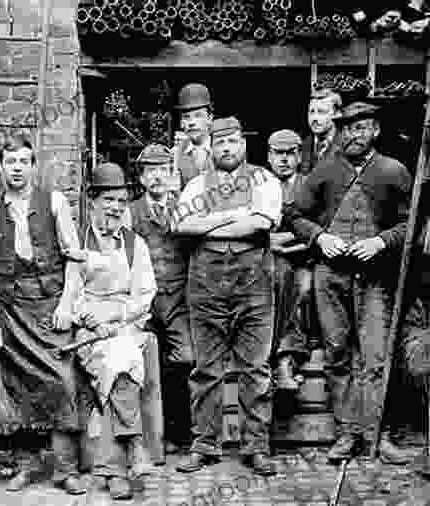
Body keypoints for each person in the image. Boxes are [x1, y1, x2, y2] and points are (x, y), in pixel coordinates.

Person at [288, 102, 413, 464]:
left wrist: (381, 241)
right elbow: (293, 214)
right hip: (331, 277)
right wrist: (319, 237)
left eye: (361, 128)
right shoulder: (325, 171)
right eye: (347, 129)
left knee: (374, 359)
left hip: (375, 279)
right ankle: (346, 434)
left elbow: (413, 225)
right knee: (337, 355)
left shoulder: (393, 171)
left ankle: (378, 436)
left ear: (375, 131)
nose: (353, 135)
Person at [0, 133, 86, 494]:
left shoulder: (54, 202)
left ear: (33, 166)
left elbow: (74, 259)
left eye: (24, 161)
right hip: (10, 311)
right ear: (2, 168)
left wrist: (67, 305)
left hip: (50, 308)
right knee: (14, 386)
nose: (17, 168)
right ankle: (24, 466)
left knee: (62, 381)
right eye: (11, 162)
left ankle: (66, 469)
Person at [173, 117, 282, 476]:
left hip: (253, 283)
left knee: (256, 368)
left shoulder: (264, 179)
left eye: (233, 141)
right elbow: (181, 226)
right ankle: (204, 445)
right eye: (220, 143)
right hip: (204, 284)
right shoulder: (194, 186)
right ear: (211, 147)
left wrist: (211, 222)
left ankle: (256, 447)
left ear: (243, 144)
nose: (226, 148)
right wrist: (235, 218)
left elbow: (260, 224)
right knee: (207, 369)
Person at [70, 162, 157, 500]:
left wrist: (118, 320)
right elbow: (69, 293)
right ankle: (134, 445)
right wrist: (92, 319)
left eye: (122, 201)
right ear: (92, 199)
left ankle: (114, 471)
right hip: (89, 329)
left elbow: (145, 293)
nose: (116, 208)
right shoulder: (77, 241)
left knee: (119, 355)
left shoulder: (135, 244)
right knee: (114, 359)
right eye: (108, 200)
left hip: (124, 325)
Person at [129, 144, 194, 455]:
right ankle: (152, 436)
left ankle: (181, 431)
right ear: (141, 178)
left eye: (163, 171)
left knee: (185, 359)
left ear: (172, 175)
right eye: (150, 171)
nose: (157, 177)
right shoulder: (130, 212)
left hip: (181, 298)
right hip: (145, 301)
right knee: (142, 364)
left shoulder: (188, 208)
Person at [267, 129, 313, 391]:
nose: (284, 159)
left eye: (290, 153)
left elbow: (319, 226)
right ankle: (282, 361)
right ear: (269, 157)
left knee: (304, 289)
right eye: (278, 154)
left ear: (299, 156)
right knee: (277, 282)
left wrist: (288, 244)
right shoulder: (258, 185)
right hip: (268, 261)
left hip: (304, 259)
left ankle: (286, 360)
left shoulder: (310, 185)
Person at [173, 83, 214, 189]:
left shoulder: (223, 147)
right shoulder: (176, 154)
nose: (191, 122)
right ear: (182, 123)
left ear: (209, 118)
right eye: (186, 117)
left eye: (198, 116)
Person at [301, 88, 343, 175]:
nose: (314, 118)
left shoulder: (346, 145)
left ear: (337, 114)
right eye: (311, 112)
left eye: (321, 112)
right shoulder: (300, 144)